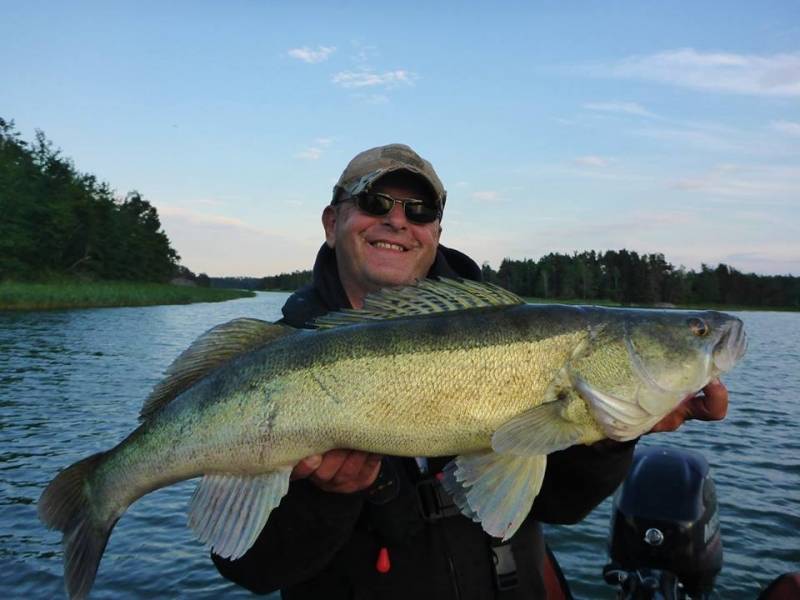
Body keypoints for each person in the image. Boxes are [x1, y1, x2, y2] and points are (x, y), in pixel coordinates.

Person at [212, 144, 729, 599]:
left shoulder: (520, 334)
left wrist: (615, 435)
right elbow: (252, 568)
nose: (398, 221)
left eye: (420, 209)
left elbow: (559, 503)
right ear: (331, 222)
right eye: (375, 203)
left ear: (436, 230)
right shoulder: (275, 356)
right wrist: (325, 499)